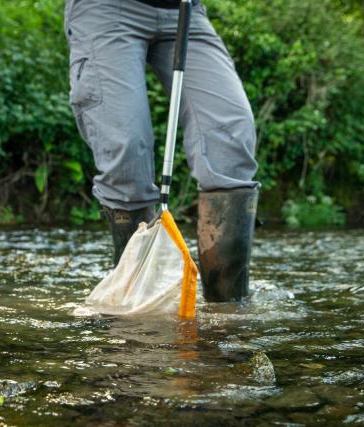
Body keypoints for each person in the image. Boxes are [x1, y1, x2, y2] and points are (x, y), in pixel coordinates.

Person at [64, 0, 260, 302]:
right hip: (105, 9)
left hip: (184, 11)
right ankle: (137, 309)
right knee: (126, 148)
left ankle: (228, 316)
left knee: (231, 134)